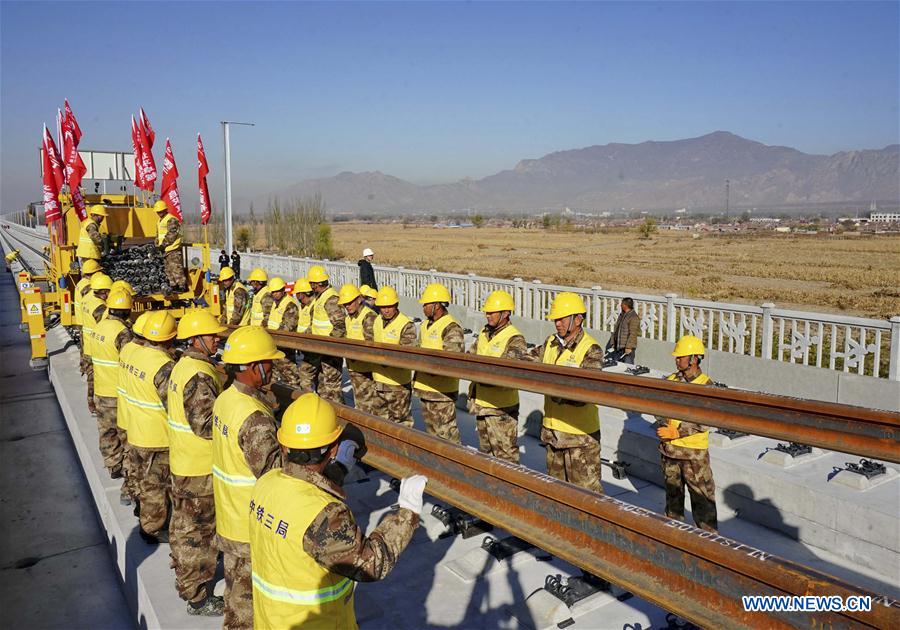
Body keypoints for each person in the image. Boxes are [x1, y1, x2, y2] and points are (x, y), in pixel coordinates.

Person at [248, 393, 426, 629]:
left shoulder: (266, 483)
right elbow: (371, 565)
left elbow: (304, 485)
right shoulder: (324, 514)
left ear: (284, 445)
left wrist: (339, 469)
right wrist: (407, 513)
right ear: (332, 449)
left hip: (271, 620)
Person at [213, 326, 284, 630]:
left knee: (236, 592)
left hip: (229, 515)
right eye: (269, 362)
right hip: (249, 525)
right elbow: (274, 472)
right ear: (254, 367)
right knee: (246, 606)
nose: (273, 367)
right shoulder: (253, 418)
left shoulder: (226, 398)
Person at [167, 309, 228, 616]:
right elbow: (205, 425)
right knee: (198, 536)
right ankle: (198, 599)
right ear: (196, 339)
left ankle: (191, 586)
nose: (217, 337)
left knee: (187, 530)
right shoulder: (199, 376)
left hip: (184, 463)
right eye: (212, 334)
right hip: (199, 470)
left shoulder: (184, 366)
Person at [525, 292, 604, 493]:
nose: (557, 323)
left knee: (588, 499)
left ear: (577, 319)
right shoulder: (551, 342)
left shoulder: (591, 349)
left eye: (561, 318)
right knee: (558, 495)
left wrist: (550, 387)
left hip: (580, 439)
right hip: (553, 436)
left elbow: (586, 391)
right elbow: (527, 362)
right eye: (555, 319)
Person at [122, 310, 177, 543]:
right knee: (156, 487)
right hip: (158, 438)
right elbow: (173, 405)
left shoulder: (134, 354)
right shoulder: (164, 367)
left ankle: (142, 511)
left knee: (142, 480)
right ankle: (152, 529)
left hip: (137, 430)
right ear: (170, 338)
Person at [656, 335, 718, 532]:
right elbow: (658, 406)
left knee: (703, 504)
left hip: (693, 457)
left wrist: (677, 431)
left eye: (680, 357)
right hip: (670, 453)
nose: (676, 360)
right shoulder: (671, 380)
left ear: (693, 358)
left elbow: (705, 419)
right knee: (673, 503)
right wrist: (662, 421)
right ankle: (674, 540)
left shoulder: (706, 385)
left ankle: (709, 545)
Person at [467, 290, 526, 464]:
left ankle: (509, 490)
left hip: (501, 410)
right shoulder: (485, 333)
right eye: (487, 311)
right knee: (486, 456)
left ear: (506, 313)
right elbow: (470, 357)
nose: (488, 315)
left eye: (492, 312)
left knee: (506, 457)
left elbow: (506, 372)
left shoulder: (515, 339)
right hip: (482, 406)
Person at [90, 289, 134, 489]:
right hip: (119, 395)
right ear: (126, 311)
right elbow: (130, 360)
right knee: (126, 437)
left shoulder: (99, 328)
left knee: (106, 431)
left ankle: (112, 465)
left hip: (101, 391)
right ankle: (127, 478)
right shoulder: (122, 333)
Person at [413, 283, 465, 443]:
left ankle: (454, 466)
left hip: (442, 393)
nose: (423, 307)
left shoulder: (451, 328)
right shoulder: (424, 325)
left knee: (447, 436)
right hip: (425, 389)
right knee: (432, 436)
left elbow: (451, 361)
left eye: (426, 304)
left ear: (437, 305)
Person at [117, 312, 152, 507]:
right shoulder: (144, 356)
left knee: (130, 459)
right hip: (140, 423)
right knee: (141, 468)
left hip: (125, 413)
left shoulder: (127, 349)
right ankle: (135, 497)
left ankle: (128, 493)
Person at [372, 286, 417, 426]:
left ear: (396, 305)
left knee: (401, 424)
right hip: (379, 381)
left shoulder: (406, 325)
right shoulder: (377, 321)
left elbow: (406, 356)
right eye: (382, 307)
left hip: (398, 385)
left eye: (389, 306)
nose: (386, 310)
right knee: (380, 423)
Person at [305, 265, 346, 404]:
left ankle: (341, 418)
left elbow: (340, 326)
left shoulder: (331, 299)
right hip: (320, 350)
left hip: (329, 352)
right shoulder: (321, 297)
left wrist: (329, 346)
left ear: (316, 284)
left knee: (332, 390)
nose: (310, 286)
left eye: (311, 283)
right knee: (323, 388)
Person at [337, 284, 379, 414]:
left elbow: (370, 345)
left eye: (349, 303)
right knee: (360, 404)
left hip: (366, 370)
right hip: (355, 367)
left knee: (367, 407)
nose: (347, 306)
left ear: (359, 299)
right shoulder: (349, 317)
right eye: (345, 304)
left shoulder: (368, 317)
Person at [264, 277, 304, 388]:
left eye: (278, 291)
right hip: (273, 348)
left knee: (291, 379)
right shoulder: (274, 303)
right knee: (272, 380)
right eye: (273, 292)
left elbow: (287, 327)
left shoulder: (290, 305)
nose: (275, 294)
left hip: (285, 349)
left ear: (283, 290)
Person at [82, 272, 113, 414]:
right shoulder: (99, 307)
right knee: (95, 378)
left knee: (90, 376)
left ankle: (91, 402)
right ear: (105, 292)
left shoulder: (87, 298)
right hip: (96, 348)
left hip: (87, 345)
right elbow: (107, 325)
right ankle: (93, 404)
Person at [154, 200, 187, 292]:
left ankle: (181, 286)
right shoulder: (159, 221)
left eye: (160, 211)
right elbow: (158, 234)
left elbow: (172, 234)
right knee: (168, 270)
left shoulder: (171, 219)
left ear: (165, 210)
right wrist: (157, 245)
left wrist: (163, 245)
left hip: (173, 249)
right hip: (165, 250)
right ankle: (173, 286)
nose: (159, 213)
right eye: (158, 211)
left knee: (176, 268)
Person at [606, 297, 640, 364]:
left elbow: (633, 333)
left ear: (625, 305)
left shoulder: (633, 317)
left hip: (627, 350)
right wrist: (613, 343)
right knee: (616, 367)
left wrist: (628, 347)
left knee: (627, 368)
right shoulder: (622, 315)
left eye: (621, 304)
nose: (620, 305)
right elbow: (616, 330)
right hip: (618, 348)